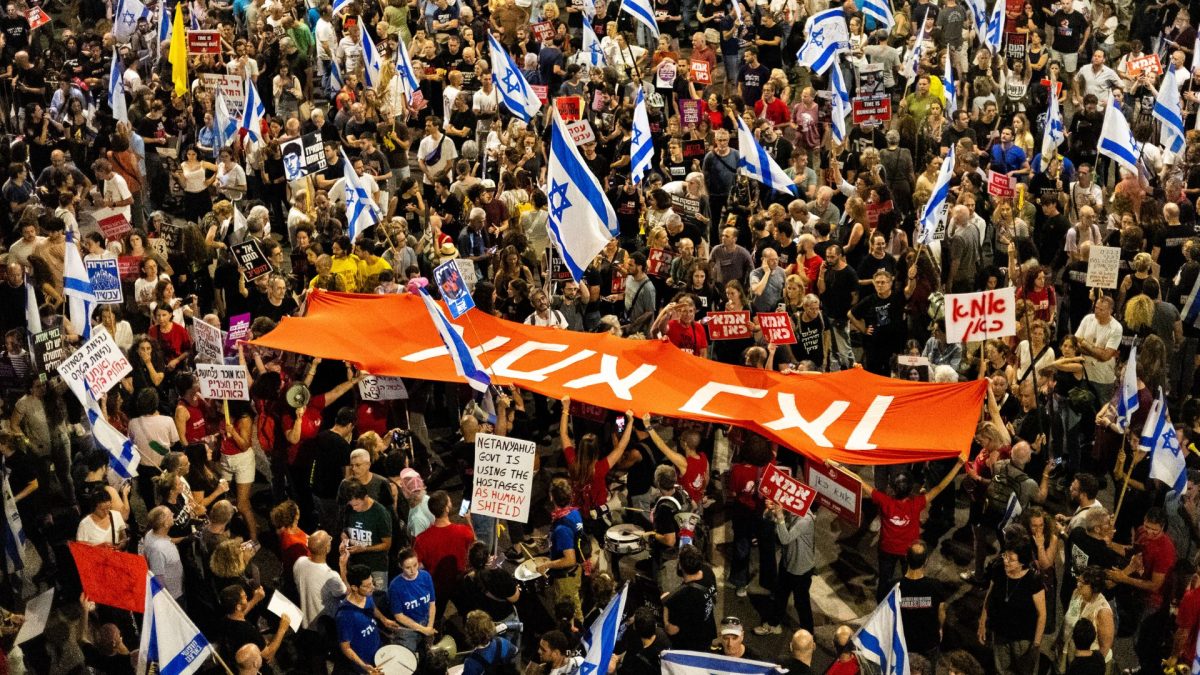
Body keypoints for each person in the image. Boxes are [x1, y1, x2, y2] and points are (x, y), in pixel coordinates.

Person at [836, 458, 963, 600]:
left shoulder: (884, 502)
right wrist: (958, 465)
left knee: (884, 581)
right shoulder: (916, 504)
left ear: (892, 487)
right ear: (910, 488)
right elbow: (939, 487)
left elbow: (859, 481)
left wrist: (836, 465)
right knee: (909, 579)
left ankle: (882, 608)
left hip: (886, 550)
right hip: (908, 552)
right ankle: (905, 604)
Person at [978, 546, 1047, 675]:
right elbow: (990, 595)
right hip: (1000, 633)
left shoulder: (1033, 580)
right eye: (1005, 556)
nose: (1006, 561)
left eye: (1011, 559)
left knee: (1024, 671)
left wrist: (1036, 645)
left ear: (1022, 562)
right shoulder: (999, 569)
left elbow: (1042, 614)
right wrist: (982, 622)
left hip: (1023, 639)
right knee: (1001, 670)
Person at [335, 564, 396, 674]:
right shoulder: (345, 616)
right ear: (354, 587)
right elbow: (345, 647)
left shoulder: (366, 595)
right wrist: (363, 666)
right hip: (364, 663)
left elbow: (372, 607)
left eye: (372, 582)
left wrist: (384, 619)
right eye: (367, 585)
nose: (372, 587)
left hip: (378, 652)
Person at [388, 547, 437, 652]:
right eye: (408, 567)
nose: (413, 570)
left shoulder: (426, 576)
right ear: (400, 566)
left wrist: (429, 626)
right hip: (408, 629)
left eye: (415, 565)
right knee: (409, 657)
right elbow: (399, 616)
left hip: (426, 622)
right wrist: (423, 630)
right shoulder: (395, 586)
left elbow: (432, 604)